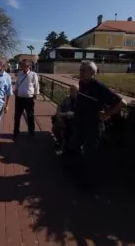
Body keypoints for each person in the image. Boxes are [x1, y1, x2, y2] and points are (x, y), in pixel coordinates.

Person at [71, 61, 125, 192]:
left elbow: (121, 102)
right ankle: (77, 173)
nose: (80, 73)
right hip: (80, 124)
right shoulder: (82, 83)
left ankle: (88, 185)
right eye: (80, 70)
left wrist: (106, 115)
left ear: (92, 73)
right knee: (73, 147)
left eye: (83, 70)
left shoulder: (99, 87)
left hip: (93, 127)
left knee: (89, 156)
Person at [13, 59, 40, 139]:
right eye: (21, 65)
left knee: (30, 116)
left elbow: (36, 85)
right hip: (19, 98)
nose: (21, 66)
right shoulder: (20, 74)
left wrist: (35, 95)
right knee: (17, 116)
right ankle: (16, 131)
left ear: (28, 66)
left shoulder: (33, 74)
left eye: (23, 65)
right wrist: (16, 91)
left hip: (29, 99)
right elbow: (17, 83)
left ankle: (31, 132)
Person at [51, 84, 78, 156]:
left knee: (69, 133)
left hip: (74, 121)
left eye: (74, 91)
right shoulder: (66, 99)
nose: (72, 92)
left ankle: (65, 148)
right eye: (71, 90)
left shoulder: (80, 102)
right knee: (55, 128)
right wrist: (59, 118)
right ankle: (60, 142)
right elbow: (59, 108)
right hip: (64, 118)